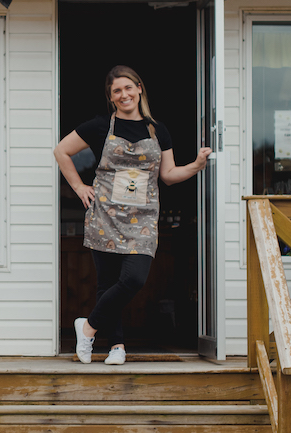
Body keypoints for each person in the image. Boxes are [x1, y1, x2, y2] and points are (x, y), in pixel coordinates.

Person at [54, 66, 212, 365]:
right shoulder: (100, 126)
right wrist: (78, 186)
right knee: (107, 282)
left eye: (128, 88)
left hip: (143, 219)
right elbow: (61, 150)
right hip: (106, 214)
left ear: (139, 88)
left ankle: (86, 327)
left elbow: (167, 174)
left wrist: (195, 166)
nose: (123, 94)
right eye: (117, 91)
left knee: (133, 279)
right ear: (111, 97)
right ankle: (116, 346)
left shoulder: (157, 130)